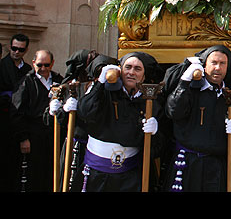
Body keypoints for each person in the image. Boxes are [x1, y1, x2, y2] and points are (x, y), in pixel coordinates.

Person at [77, 51, 165, 192]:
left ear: (144, 75)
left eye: (137, 69)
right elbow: (85, 113)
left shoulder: (150, 102)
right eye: (127, 67)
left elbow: (156, 149)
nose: (131, 72)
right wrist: (100, 83)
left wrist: (154, 133)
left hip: (129, 176)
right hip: (97, 174)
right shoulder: (103, 92)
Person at [164, 45, 231, 192]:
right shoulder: (190, 91)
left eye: (222, 64)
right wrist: (184, 82)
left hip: (217, 167)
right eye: (213, 63)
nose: (218, 68)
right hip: (188, 164)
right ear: (205, 65)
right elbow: (173, 111)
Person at [49, 52, 117, 192]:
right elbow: (62, 121)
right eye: (98, 72)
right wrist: (61, 110)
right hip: (77, 144)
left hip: (98, 150)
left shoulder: (115, 93)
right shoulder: (79, 88)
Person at [11, 50, 63, 191]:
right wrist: (23, 138)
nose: (43, 68)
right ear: (34, 63)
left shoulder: (59, 80)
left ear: (52, 63)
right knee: (34, 173)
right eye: (40, 65)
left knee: (52, 171)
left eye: (47, 65)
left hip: (53, 135)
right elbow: (17, 112)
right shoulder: (26, 82)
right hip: (34, 134)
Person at [0, 33, 31, 191]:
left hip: (21, 122)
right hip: (5, 122)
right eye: (14, 48)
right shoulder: (2, 66)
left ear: (25, 50)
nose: (16, 52)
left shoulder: (28, 70)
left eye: (20, 49)